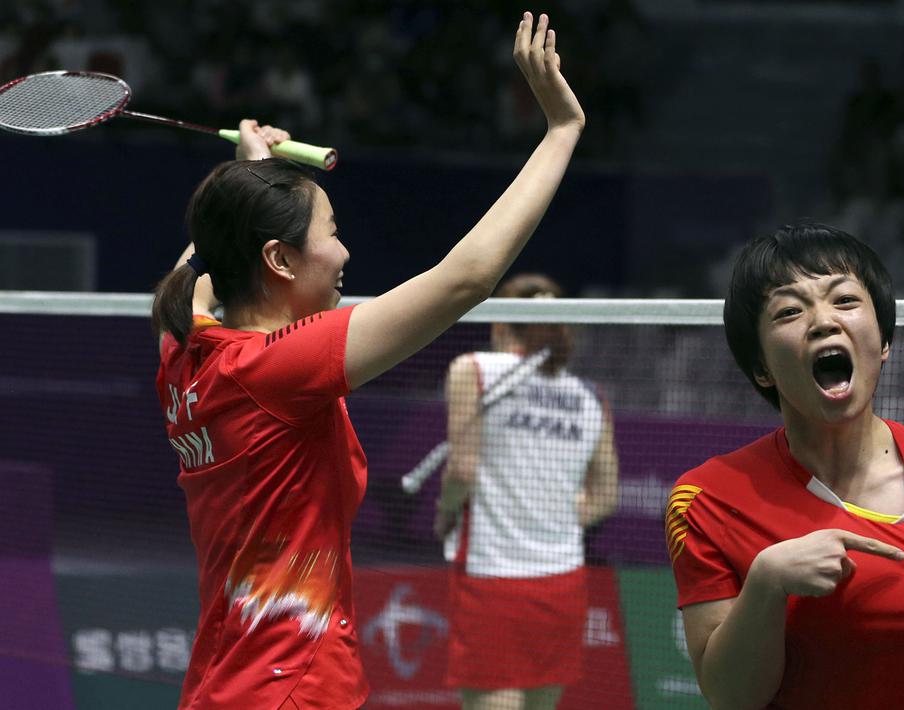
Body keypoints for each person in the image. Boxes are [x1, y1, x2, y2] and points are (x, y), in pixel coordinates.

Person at [150, 14, 584, 710]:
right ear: (278, 259)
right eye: (333, 233)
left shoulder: (183, 351)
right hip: (296, 688)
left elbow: (201, 264)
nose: (346, 254)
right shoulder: (279, 368)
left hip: (223, 687)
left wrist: (252, 175)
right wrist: (560, 132)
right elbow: (466, 278)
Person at [666, 223, 904, 709]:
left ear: (884, 341)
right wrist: (766, 584)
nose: (823, 321)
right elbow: (731, 696)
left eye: (845, 301)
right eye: (789, 310)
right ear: (762, 368)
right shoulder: (710, 500)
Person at [434, 273, 619, 710]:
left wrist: (445, 512)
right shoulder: (590, 396)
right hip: (562, 582)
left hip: (491, 575)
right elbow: (606, 496)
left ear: (500, 324)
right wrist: (550, 518)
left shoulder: (475, 370)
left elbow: (462, 468)